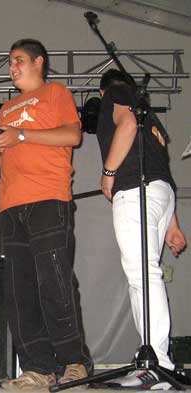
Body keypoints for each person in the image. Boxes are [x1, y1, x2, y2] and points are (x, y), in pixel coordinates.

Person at [0, 38, 92, 389]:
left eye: (19, 60)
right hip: (12, 206)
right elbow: (3, 163)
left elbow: (73, 136)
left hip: (48, 200)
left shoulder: (56, 93)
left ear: (39, 62)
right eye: (10, 62)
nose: (12, 67)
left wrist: (22, 133)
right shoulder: (5, 109)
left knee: (54, 282)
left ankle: (75, 362)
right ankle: (38, 368)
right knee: (19, 290)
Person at [95, 69, 186, 388]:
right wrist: (172, 222)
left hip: (135, 190)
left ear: (103, 90)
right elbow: (157, 162)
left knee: (142, 275)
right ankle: (157, 359)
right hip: (160, 192)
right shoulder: (148, 114)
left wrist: (109, 170)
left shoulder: (117, 95)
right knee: (148, 273)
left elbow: (127, 126)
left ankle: (156, 362)